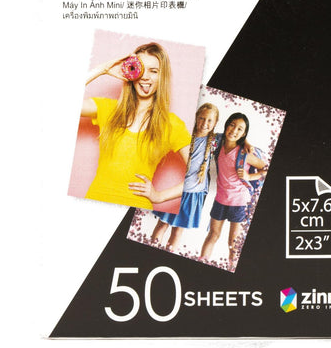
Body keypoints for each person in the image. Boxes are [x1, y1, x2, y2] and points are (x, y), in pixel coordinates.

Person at [80, 42, 191, 209]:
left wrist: (160, 196)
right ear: (131, 71)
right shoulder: (108, 109)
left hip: (135, 209)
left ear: (162, 77)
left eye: (154, 71)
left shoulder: (171, 125)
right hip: (94, 201)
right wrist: (102, 69)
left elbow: (200, 176)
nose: (145, 77)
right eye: (141, 69)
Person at [130, 103, 220, 250]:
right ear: (196, 117)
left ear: (216, 122)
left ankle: (167, 255)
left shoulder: (216, 141)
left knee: (178, 231)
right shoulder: (185, 135)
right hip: (176, 190)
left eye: (210, 120)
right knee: (162, 224)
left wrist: (247, 143)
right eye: (202, 118)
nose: (205, 123)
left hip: (194, 195)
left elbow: (235, 140)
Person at [200, 113, 267, 266]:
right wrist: (246, 140)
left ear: (244, 134)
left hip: (240, 203)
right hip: (220, 200)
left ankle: (231, 270)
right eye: (232, 125)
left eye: (240, 129)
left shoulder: (245, 154)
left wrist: (250, 177)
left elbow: (266, 169)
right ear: (226, 125)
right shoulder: (218, 144)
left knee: (233, 244)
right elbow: (208, 134)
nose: (234, 130)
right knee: (212, 235)